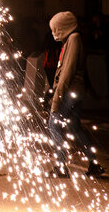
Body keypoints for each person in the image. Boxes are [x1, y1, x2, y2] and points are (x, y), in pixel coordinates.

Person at [44, 11, 105, 178]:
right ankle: (94, 165)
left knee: (54, 124)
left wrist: (57, 97)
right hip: (75, 92)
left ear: (62, 27)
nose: (53, 32)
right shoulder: (71, 40)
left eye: (55, 28)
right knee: (74, 127)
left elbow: (68, 71)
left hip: (70, 91)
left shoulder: (74, 39)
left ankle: (61, 166)